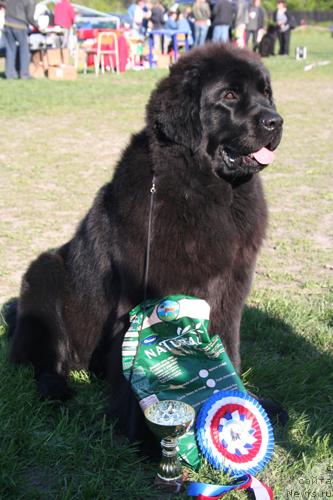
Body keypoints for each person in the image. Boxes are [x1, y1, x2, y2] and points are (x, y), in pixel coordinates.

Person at [3, 0, 37, 79]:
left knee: (10, 50)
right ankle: (24, 75)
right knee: (24, 50)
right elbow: (30, 17)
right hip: (20, 25)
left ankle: (9, 74)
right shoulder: (30, 1)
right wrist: (37, 25)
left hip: (7, 24)